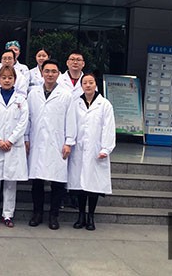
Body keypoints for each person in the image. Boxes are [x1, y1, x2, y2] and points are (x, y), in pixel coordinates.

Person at [26, 60, 73, 230]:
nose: (50, 74)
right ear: (42, 73)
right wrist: (26, 137)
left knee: (57, 182)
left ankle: (54, 215)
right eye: (47, 71)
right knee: (37, 182)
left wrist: (69, 142)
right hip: (37, 141)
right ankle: (37, 214)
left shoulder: (66, 95)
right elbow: (28, 118)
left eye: (53, 71)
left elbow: (71, 120)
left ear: (58, 74)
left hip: (57, 143)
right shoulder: (33, 94)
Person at [67, 73, 116, 231]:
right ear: (81, 86)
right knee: (80, 186)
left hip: (96, 150)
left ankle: (91, 217)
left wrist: (106, 148)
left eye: (91, 82)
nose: (88, 85)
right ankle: (81, 215)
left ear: (96, 84)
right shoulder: (76, 103)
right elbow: (71, 124)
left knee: (93, 186)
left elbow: (108, 127)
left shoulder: (104, 104)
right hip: (79, 150)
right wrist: (69, 142)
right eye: (85, 83)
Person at [0, 65, 28, 227]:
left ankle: (8, 215)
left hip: (12, 146)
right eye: (4, 78)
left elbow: (23, 123)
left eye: (10, 78)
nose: (7, 80)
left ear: (15, 80)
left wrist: (10, 140)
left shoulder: (21, 101)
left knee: (10, 183)